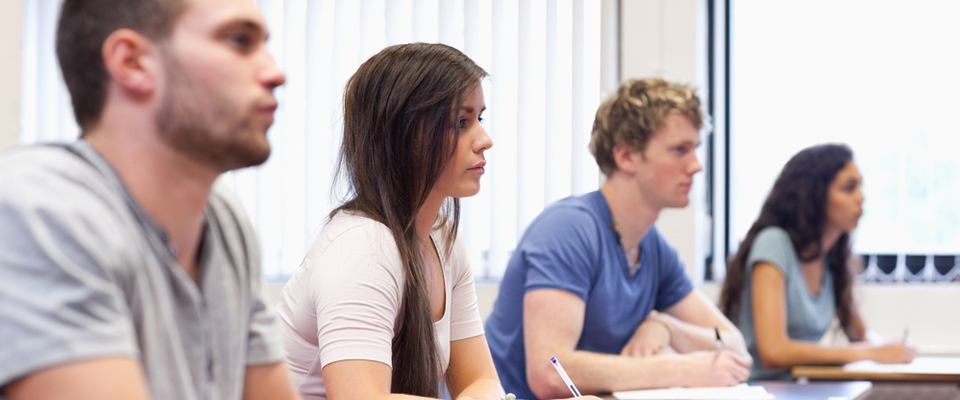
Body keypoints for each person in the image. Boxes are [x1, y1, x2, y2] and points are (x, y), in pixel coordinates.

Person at [0, 0, 301, 399]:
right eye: (239, 41)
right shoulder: (37, 210)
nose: (275, 73)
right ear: (133, 62)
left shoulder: (222, 220)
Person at [275, 43, 599, 400]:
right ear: (404, 135)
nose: (485, 140)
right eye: (461, 122)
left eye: (479, 119)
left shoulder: (442, 238)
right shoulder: (361, 247)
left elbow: (480, 381)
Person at [483, 78, 753, 400]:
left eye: (695, 149)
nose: (696, 166)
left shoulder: (652, 246)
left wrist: (667, 326)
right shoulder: (568, 229)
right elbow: (550, 373)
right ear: (626, 156)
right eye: (680, 149)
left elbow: (735, 347)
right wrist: (683, 369)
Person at [718, 144, 917, 380]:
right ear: (814, 195)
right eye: (848, 188)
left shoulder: (832, 259)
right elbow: (774, 352)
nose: (861, 197)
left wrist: (891, 348)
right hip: (758, 389)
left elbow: (861, 336)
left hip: (800, 388)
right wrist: (870, 352)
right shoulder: (773, 243)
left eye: (860, 186)